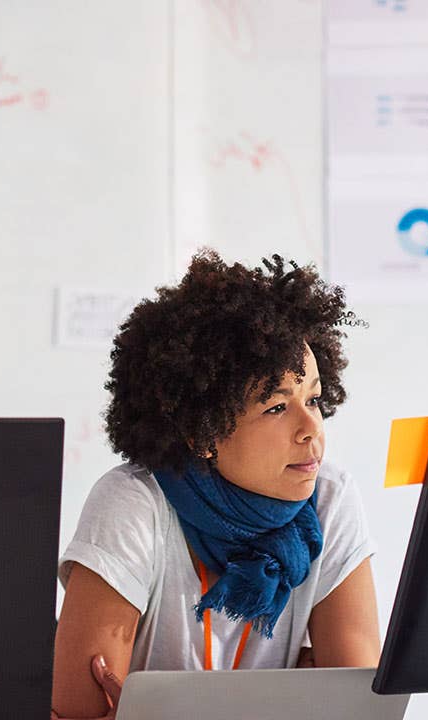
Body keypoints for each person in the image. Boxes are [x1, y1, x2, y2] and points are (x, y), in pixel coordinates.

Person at [51, 250, 380, 719]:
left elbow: (359, 712)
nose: (312, 429)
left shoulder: (330, 499)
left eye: (313, 399)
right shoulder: (133, 504)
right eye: (276, 407)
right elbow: (78, 715)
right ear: (202, 433)